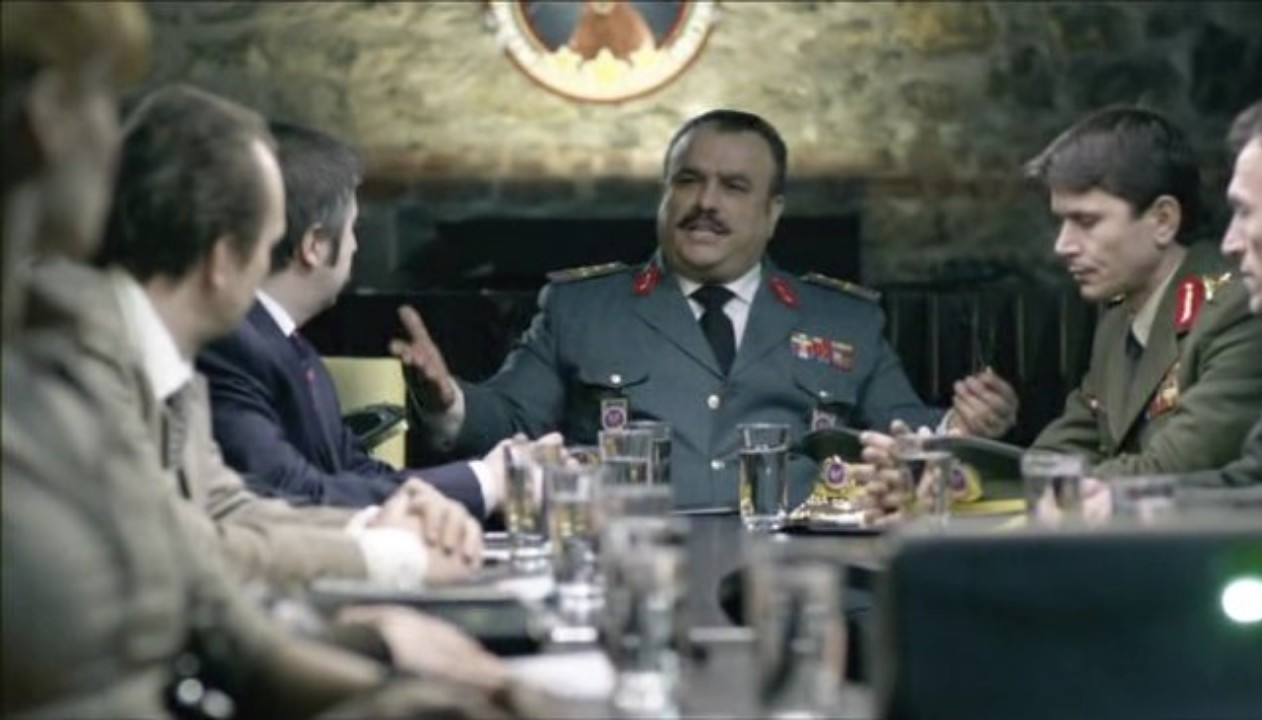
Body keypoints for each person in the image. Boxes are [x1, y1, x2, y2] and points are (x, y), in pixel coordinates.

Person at [2, 4, 529, 718]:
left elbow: (219, 584)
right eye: (101, 98)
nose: (112, 141)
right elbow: (216, 554)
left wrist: (394, 667)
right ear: (45, 120)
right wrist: (392, 568)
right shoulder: (85, 346)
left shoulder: (93, 346)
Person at [396, 109, 1017, 509]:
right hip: (635, 563)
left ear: (773, 213)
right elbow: (510, 419)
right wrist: (446, 398)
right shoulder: (581, 307)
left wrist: (964, 427)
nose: (706, 203)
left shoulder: (844, 320)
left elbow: (903, 433)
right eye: (688, 181)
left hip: (803, 565)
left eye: (735, 187)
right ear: (665, 195)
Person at [196, 121, 521, 521]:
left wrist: (487, 481)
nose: (355, 246)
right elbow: (292, 494)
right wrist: (485, 482)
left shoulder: (293, 348)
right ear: (315, 246)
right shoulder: (230, 346)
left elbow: (356, 473)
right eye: (352, 228)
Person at [1024, 107, 1262, 475]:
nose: (1063, 245)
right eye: (1062, 221)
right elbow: (1056, 453)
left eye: (1086, 221)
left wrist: (1062, 486)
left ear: (1163, 220)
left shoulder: (1240, 308)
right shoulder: (1119, 323)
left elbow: (1174, 470)